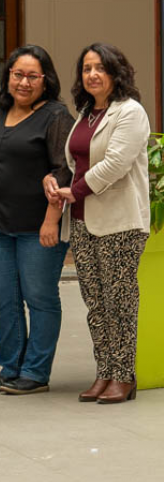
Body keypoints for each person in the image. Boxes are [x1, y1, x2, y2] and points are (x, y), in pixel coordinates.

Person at [46, 43, 150, 404]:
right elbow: (76, 163)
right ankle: (104, 372)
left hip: (120, 222)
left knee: (119, 302)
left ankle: (124, 376)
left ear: (116, 74)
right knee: (96, 303)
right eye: (87, 68)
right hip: (83, 221)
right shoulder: (87, 113)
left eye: (101, 68)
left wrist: (74, 191)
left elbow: (116, 163)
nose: (92, 74)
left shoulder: (130, 111)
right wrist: (56, 182)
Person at [0, 45, 74, 395]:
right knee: (2, 299)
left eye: (33, 76)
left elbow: (63, 170)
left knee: (40, 298)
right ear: (8, 76)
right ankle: (11, 368)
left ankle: (35, 372)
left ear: (46, 80)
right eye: (18, 74)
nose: (24, 82)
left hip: (39, 227)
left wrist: (51, 220)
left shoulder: (55, 115)